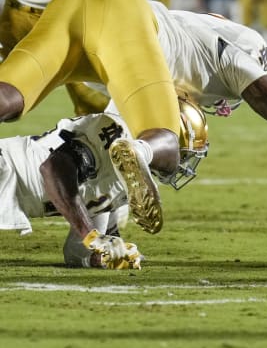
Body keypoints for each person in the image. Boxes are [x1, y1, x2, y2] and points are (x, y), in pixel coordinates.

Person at [0, 0, 267, 237]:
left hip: (76, 4)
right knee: (165, 147)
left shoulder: (185, 31)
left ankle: (131, 159)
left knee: (10, 101)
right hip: (125, 26)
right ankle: (142, 151)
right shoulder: (235, 56)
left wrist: (103, 231)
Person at [0, 96, 208, 269]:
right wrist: (91, 236)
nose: (181, 163)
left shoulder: (125, 177)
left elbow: (76, 252)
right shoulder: (116, 133)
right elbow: (53, 168)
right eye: (183, 153)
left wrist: (111, 253)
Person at [0, 0, 147, 116]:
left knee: (102, 109)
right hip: (21, 14)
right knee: (4, 93)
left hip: (80, 17)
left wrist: (138, 29)